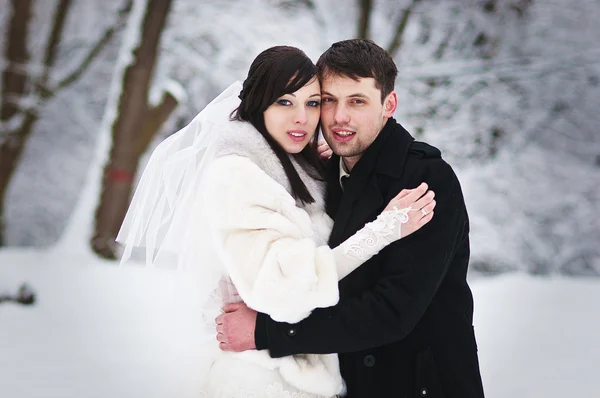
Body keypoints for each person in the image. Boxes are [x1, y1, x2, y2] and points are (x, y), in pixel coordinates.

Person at [116, 45, 436, 397]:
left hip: (293, 374)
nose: (302, 117)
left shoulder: (294, 170)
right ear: (259, 104)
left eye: (313, 103)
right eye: (285, 102)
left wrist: (319, 169)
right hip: (259, 377)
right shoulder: (237, 175)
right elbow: (284, 287)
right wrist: (382, 230)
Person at [217, 40, 485, 398]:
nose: (339, 117)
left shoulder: (425, 181)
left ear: (388, 105)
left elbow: (392, 311)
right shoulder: (325, 173)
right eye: (329, 100)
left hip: (422, 384)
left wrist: (266, 332)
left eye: (357, 101)